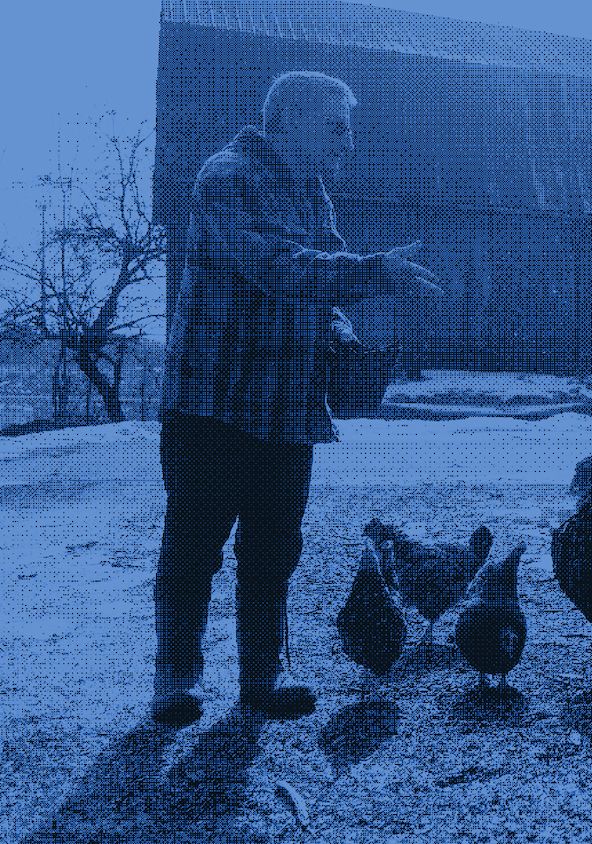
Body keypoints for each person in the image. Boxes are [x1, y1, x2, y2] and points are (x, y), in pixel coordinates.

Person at [151, 71, 441, 726]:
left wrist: (343, 341)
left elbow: (320, 286)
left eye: (349, 127)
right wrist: (376, 271)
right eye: (336, 125)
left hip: (286, 406)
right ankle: (175, 678)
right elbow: (275, 266)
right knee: (194, 545)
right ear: (288, 121)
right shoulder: (225, 176)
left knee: (275, 548)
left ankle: (263, 673)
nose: (349, 140)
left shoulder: (314, 195)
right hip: (212, 403)